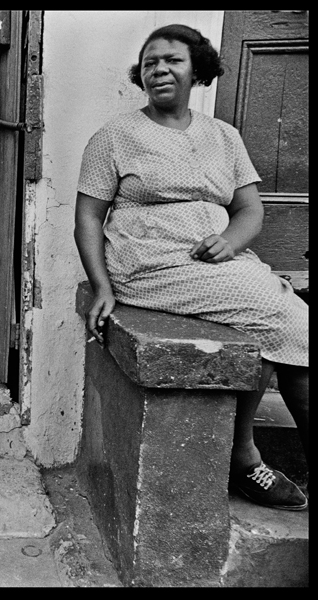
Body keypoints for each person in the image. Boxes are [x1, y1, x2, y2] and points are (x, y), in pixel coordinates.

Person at [74, 24, 308, 511]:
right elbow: (88, 218)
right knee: (291, 319)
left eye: (172, 60)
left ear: (196, 69)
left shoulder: (224, 136)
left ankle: (243, 458)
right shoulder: (115, 137)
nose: (159, 69)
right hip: (151, 264)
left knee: (284, 327)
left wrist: (229, 240)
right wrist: (102, 286)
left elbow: (250, 210)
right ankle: (245, 458)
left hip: (219, 266)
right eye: (150, 62)